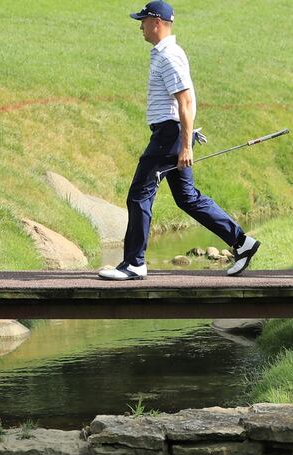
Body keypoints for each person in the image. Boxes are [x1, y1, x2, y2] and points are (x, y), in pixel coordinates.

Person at [99, 1, 260, 281]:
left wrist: (185, 144)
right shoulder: (165, 53)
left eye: (143, 21)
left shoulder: (169, 55)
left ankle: (134, 263)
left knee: (139, 195)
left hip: (169, 136)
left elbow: (185, 101)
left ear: (157, 22)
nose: (140, 26)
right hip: (173, 135)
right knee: (187, 198)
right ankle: (241, 243)